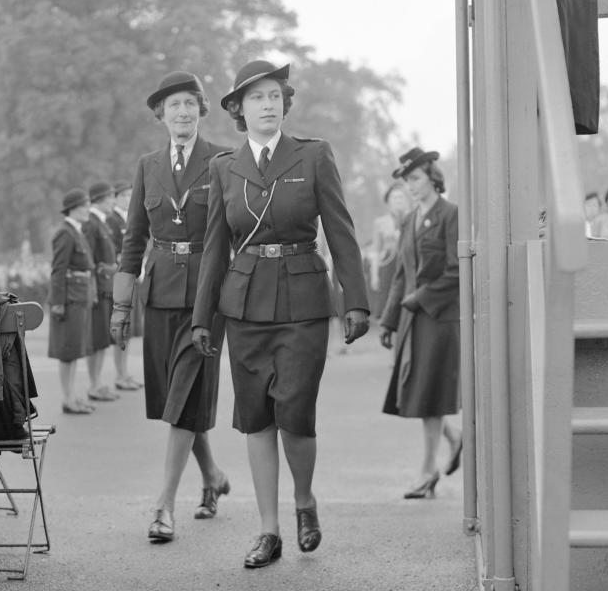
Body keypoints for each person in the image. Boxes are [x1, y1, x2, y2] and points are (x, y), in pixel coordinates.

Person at [191, 60, 370, 568]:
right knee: (256, 420)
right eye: (257, 98)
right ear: (238, 110)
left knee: (294, 411)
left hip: (303, 303)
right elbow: (212, 248)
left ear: (284, 103)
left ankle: (304, 501)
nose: (268, 105)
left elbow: (340, 229)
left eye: (275, 96)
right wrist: (203, 317)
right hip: (244, 306)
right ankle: (268, 530)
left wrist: (354, 299)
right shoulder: (224, 168)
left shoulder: (313, 156)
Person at [110, 70, 231, 544]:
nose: (182, 112)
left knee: (184, 392)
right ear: (160, 114)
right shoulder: (147, 166)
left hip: (207, 295)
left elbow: (233, 230)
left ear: (201, 110)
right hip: (158, 293)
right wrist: (122, 307)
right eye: (173, 105)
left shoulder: (224, 158)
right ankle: (214, 475)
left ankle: (163, 505)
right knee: (175, 398)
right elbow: (133, 237)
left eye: (190, 104)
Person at [379, 148, 462, 499]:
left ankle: (427, 471)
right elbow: (401, 273)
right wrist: (389, 320)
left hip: (438, 318)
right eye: (407, 181)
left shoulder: (451, 215)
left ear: (432, 177)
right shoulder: (410, 220)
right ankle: (453, 438)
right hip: (413, 318)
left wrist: (420, 298)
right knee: (418, 391)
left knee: (428, 395)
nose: (411, 186)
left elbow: (456, 270)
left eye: (415, 179)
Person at [48, 189, 96, 414]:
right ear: (74, 208)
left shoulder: (76, 231)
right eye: (85, 206)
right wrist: (57, 303)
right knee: (68, 352)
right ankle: (68, 398)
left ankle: (72, 395)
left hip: (79, 297)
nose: (88, 210)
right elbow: (58, 269)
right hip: (69, 300)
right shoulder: (65, 233)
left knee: (75, 351)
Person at [84, 181, 121, 402]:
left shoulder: (101, 222)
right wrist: (94, 288)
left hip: (106, 285)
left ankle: (97, 382)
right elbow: (89, 259)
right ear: (99, 199)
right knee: (96, 338)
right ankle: (93, 384)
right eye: (109, 198)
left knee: (103, 338)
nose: (112, 202)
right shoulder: (91, 223)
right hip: (98, 285)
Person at [106, 180, 142, 390]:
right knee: (121, 324)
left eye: (131, 195)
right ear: (116, 197)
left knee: (128, 327)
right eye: (125, 195)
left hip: (131, 274)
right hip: (120, 275)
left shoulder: (129, 218)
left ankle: (125, 372)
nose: (129, 199)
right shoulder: (111, 220)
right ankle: (119, 374)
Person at [369, 182, 411, 318]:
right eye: (394, 197)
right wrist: (374, 274)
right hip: (388, 265)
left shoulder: (413, 218)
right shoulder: (380, 222)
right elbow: (376, 250)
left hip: (407, 263)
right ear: (388, 202)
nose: (398, 200)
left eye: (401, 197)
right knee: (387, 303)